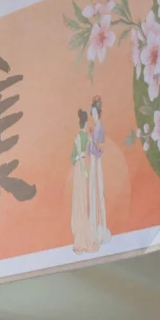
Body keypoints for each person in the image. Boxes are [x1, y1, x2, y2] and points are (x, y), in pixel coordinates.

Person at [70, 108, 98, 254]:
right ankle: (83, 237)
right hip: (81, 168)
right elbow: (86, 151)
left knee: (79, 200)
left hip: (78, 169)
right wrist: (84, 168)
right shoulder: (85, 136)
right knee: (82, 199)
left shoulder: (79, 137)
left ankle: (81, 234)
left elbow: (72, 158)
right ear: (86, 122)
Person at [88, 95, 111, 245]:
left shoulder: (99, 127)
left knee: (97, 190)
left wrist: (92, 140)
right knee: (93, 190)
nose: (94, 116)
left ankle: (100, 226)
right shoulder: (95, 127)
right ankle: (94, 225)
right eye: (93, 114)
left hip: (97, 161)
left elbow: (99, 146)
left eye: (95, 113)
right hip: (93, 160)